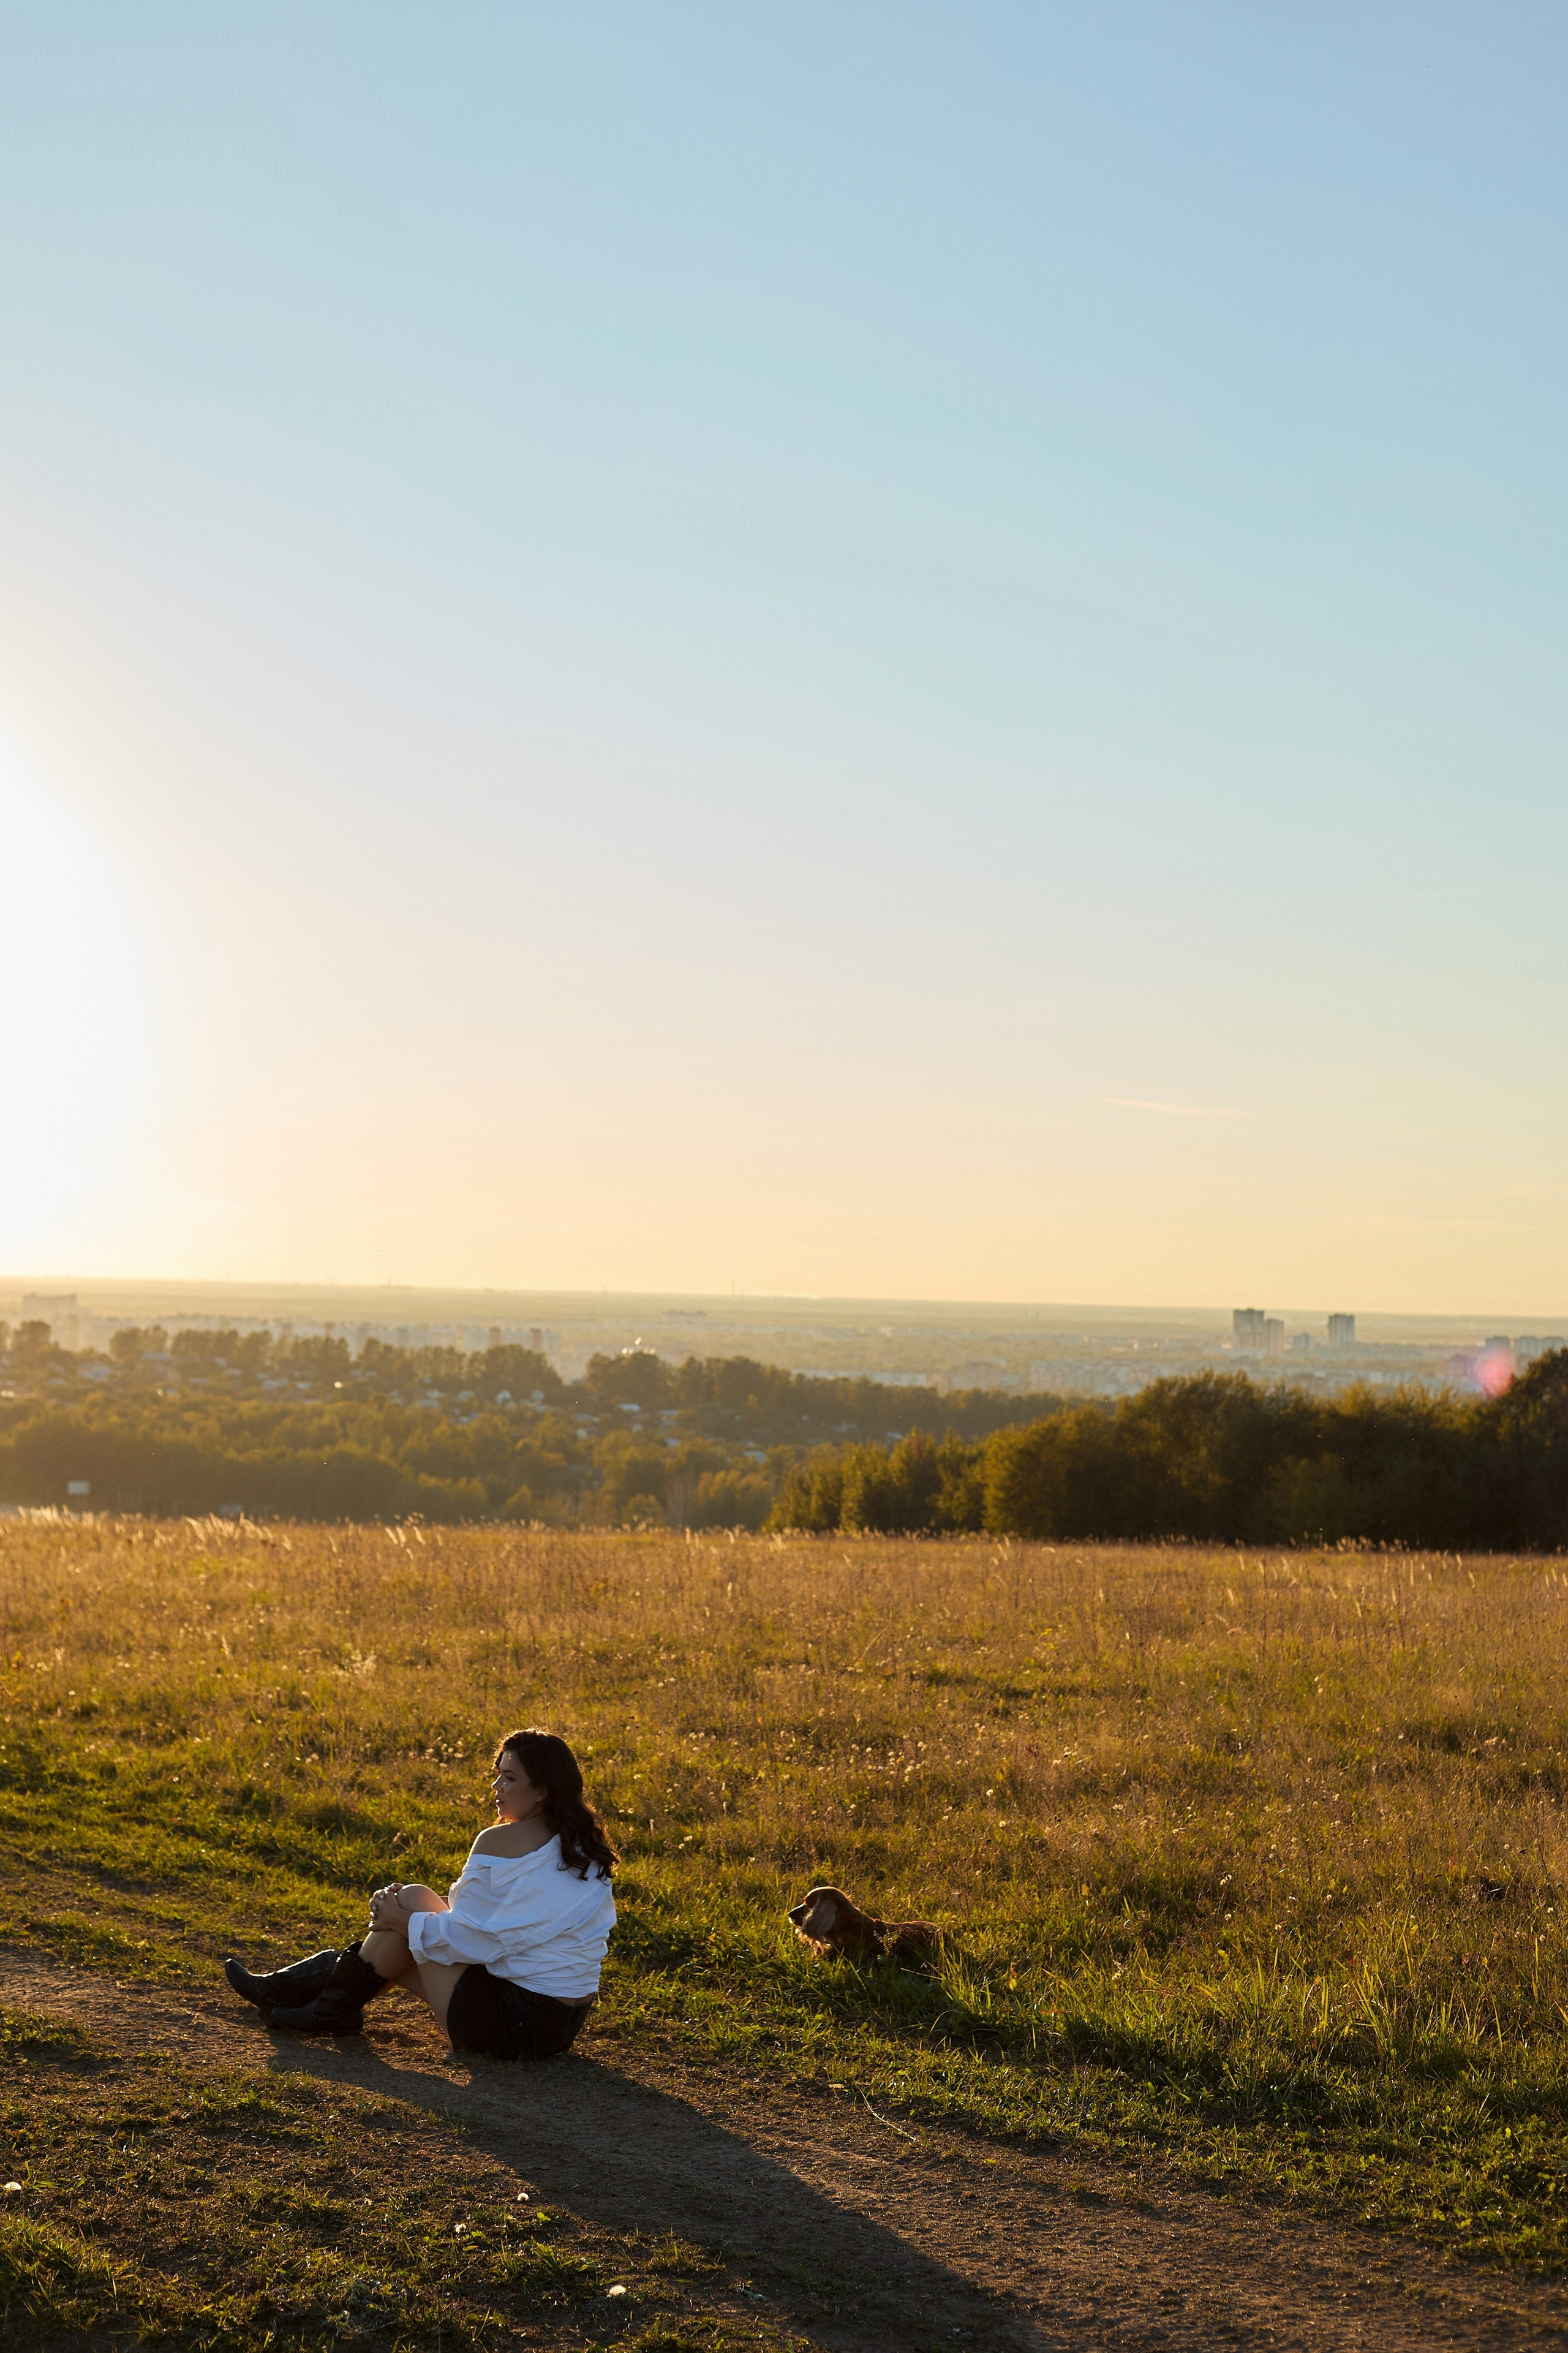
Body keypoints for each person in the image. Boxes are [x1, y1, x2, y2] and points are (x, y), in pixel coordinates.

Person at [224, 1727, 617, 2060]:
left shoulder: (500, 1841)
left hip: (509, 2028)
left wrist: (399, 1918)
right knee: (413, 1911)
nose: (496, 1787)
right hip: (560, 2027)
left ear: (542, 1792)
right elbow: (501, 1926)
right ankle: (317, 2002)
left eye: (510, 1778)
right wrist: (409, 1919)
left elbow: (472, 1942)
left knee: (411, 1906)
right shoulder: (583, 1845)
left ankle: (319, 2004)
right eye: (497, 1774)